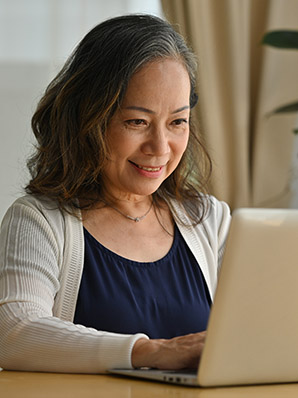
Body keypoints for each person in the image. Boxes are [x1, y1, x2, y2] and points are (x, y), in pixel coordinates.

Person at [0, 14, 231, 373]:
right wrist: (149, 352)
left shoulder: (210, 220)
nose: (160, 147)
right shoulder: (38, 220)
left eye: (177, 122)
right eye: (136, 121)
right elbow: (13, 331)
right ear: (89, 120)